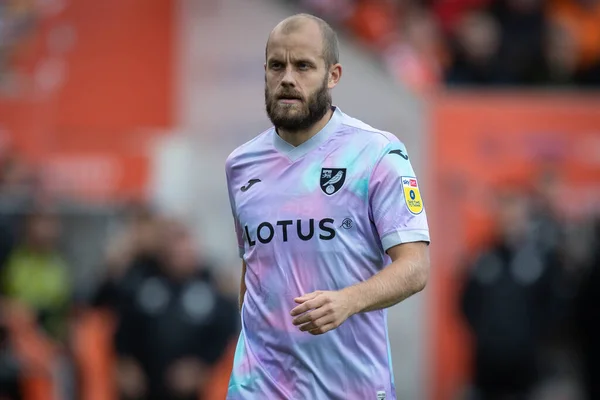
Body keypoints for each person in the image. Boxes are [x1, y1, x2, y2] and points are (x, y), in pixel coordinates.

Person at [225, 13, 430, 400]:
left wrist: (348, 301)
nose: (287, 77)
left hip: (349, 387)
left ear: (333, 75)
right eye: (276, 65)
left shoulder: (377, 154)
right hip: (258, 388)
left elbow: (415, 267)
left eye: (303, 65)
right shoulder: (240, 164)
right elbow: (252, 266)